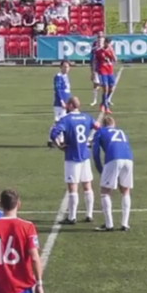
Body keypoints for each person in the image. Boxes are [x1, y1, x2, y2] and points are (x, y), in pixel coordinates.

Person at [50, 96, 97, 224]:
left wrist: (59, 145)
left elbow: (53, 133)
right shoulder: (87, 117)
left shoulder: (66, 119)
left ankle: (72, 217)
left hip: (72, 156)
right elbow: (98, 127)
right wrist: (92, 141)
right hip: (85, 155)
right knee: (87, 185)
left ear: (70, 105)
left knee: (73, 188)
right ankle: (89, 214)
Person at [92, 115, 134, 232]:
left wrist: (100, 169)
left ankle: (109, 224)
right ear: (114, 124)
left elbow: (95, 153)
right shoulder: (121, 131)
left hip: (113, 158)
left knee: (105, 191)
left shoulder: (100, 132)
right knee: (125, 190)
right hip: (129, 158)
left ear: (103, 125)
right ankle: (125, 223)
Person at [96, 38, 118, 113]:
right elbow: (96, 61)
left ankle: (102, 103)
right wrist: (95, 71)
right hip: (103, 70)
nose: (108, 45)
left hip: (110, 70)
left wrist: (111, 52)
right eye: (107, 43)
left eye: (109, 43)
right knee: (105, 88)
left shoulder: (110, 50)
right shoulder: (99, 51)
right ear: (104, 43)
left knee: (111, 89)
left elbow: (115, 59)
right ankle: (106, 107)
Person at [88, 32, 105, 107]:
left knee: (106, 85)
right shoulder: (94, 45)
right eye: (99, 37)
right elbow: (92, 58)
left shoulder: (106, 45)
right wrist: (92, 71)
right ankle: (94, 100)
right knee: (96, 84)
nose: (100, 38)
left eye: (101, 37)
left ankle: (106, 100)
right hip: (96, 68)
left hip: (104, 68)